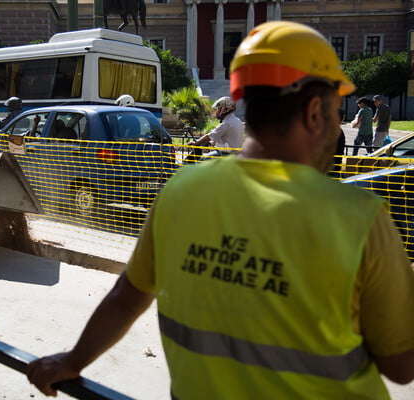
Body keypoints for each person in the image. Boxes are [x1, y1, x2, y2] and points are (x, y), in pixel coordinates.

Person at [26, 21, 414, 398]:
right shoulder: (358, 217)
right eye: (335, 114)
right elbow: (401, 366)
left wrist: (73, 360)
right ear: (314, 111)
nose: (336, 129)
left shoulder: (181, 191)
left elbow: (127, 298)